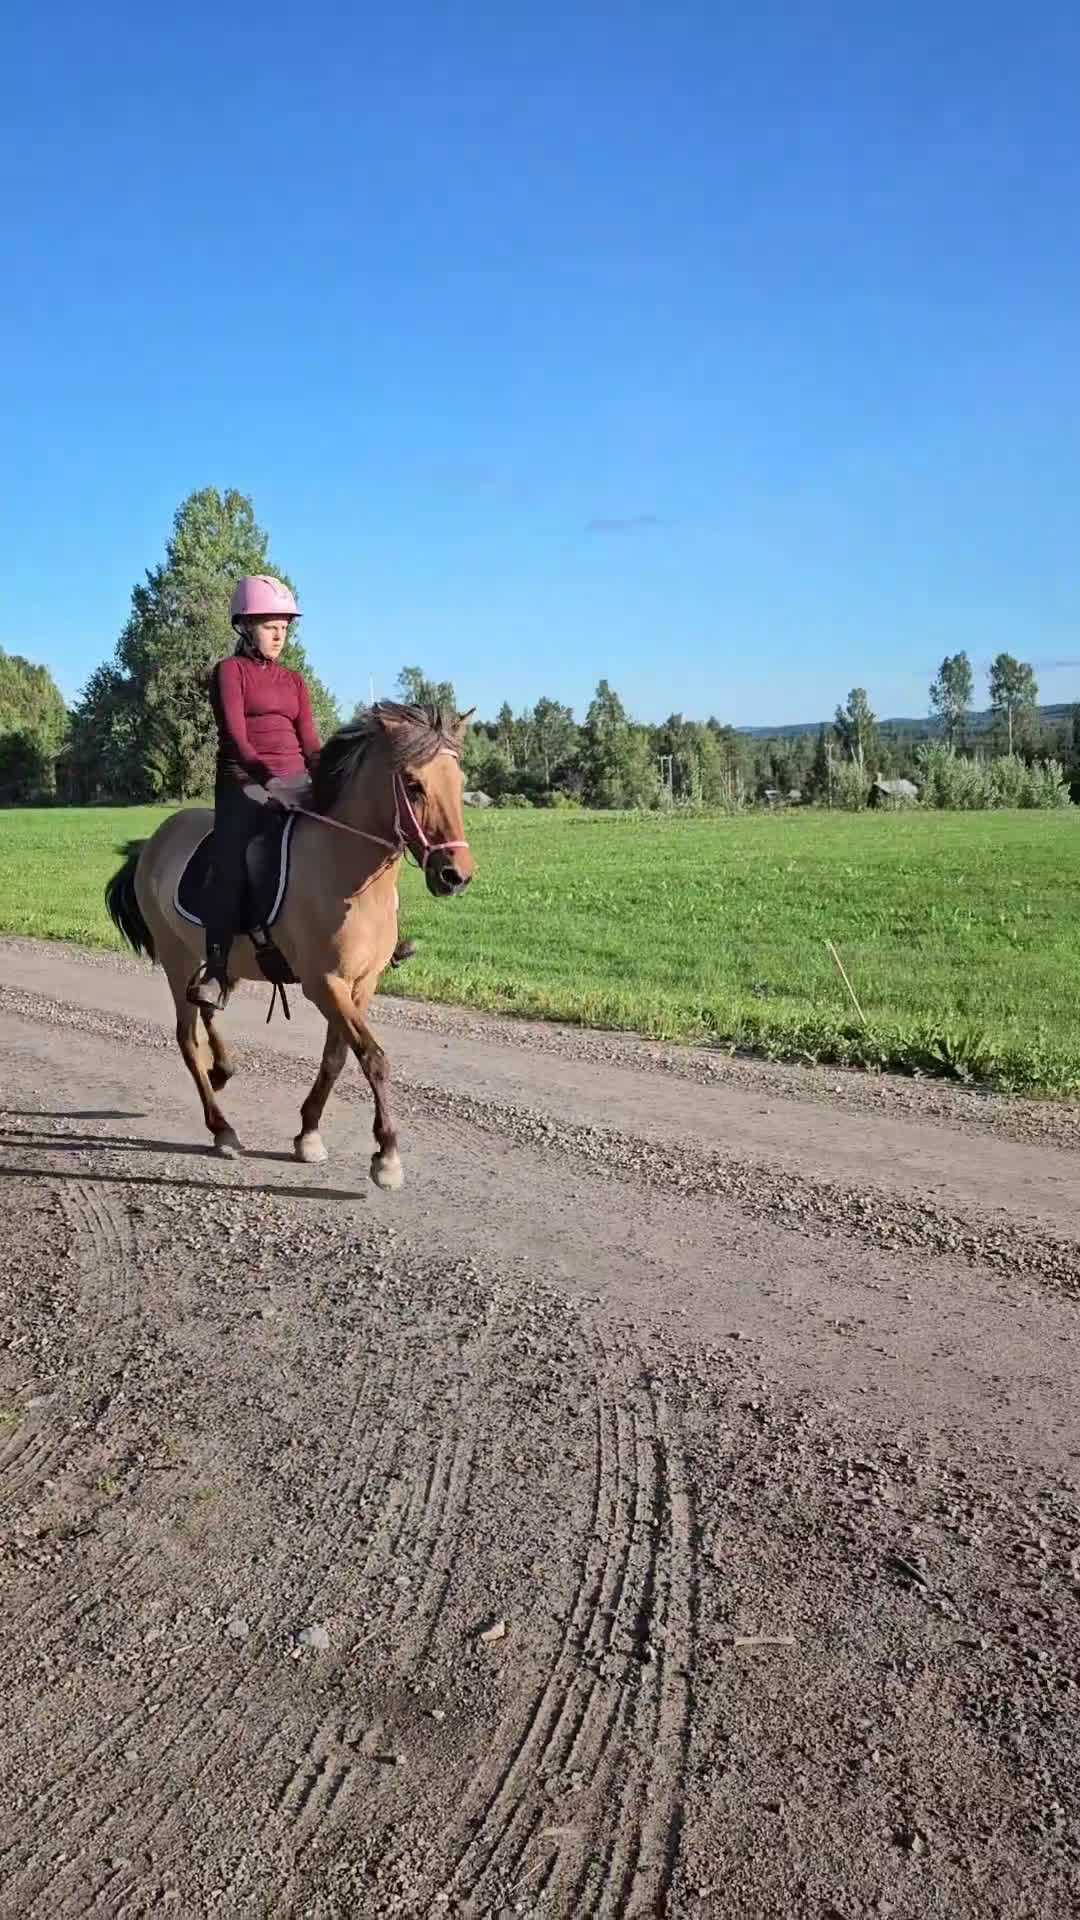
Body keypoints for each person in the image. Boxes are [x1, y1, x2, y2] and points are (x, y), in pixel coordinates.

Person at [187, 575, 321, 1008]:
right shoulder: (230, 672)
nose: (280, 634)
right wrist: (271, 783)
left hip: (296, 783)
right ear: (245, 625)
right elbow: (238, 739)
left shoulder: (295, 682)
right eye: (270, 625)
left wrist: (329, 781)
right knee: (230, 861)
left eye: (285, 625)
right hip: (244, 784)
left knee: (351, 835)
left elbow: (311, 743)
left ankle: (373, 940)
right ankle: (216, 966)